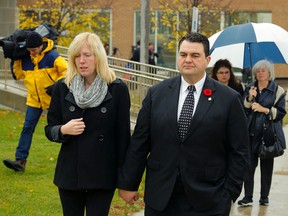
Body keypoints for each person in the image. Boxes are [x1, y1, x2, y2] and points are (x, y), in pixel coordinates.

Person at [118, 32, 249, 215]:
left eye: (195, 55)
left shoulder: (228, 99)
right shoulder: (157, 94)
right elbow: (140, 142)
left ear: (207, 59)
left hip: (208, 199)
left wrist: (229, 194)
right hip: (161, 197)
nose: (188, 60)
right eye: (183, 54)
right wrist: (128, 183)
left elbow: (240, 151)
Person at [44, 32, 131, 216]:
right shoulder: (62, 87)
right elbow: (49, 128)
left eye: (87, 55)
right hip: (69, 175)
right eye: (76, 56)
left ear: (98, 57)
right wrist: (63, 130)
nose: (81, 61)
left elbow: (123, 138)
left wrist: (126, 181)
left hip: (102, 175)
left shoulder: (117, 89)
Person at [3, 31, 67, 172]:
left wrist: (56, 86)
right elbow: (17, 75)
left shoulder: (53, 57)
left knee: (66, 129)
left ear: (40, 46)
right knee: (27, 128)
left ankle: (73, 160)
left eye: (33, 50)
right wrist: (15, 57)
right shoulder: (26, 58)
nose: (31, 53)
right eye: (28, 50)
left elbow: (67, 72)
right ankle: (20, 161)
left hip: (53, 100)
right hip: (33, 100)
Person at [238, 59, 286, 207]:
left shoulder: (278, 90)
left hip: (268, 134)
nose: (260, 73)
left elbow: (281, 113)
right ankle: (248, 197)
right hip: (251, 133)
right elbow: (243, 109)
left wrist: (264, 109)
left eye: (263, 70)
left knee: (267, 167)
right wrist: (250, 97)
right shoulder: (250, 88)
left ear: (269, 73)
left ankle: (264, 197)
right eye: (257, 71)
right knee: (249, 167)